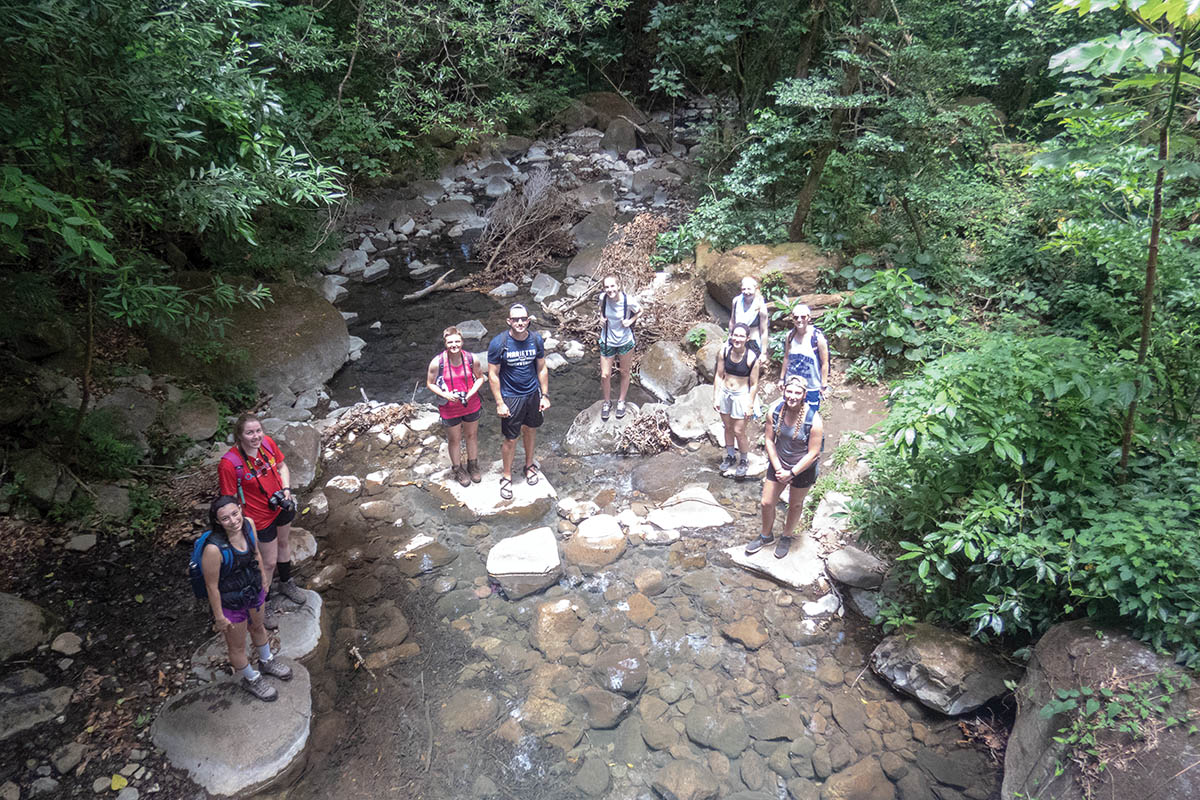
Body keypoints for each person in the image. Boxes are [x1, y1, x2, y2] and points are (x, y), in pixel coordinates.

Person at [218, 413, 305, 631]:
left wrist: (286, 490)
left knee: (284, 544)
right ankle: (261, 606)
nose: (256, 436)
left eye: (258, 431)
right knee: (267, 562)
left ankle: (286, 583)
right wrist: (236, 528)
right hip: (258, 518)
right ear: (239, 435)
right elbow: (228, 500)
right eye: (250, 432)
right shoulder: (229, 464)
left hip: (280, 506)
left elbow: (282, 467)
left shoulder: (267, 444)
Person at [201, 496, 293, 701]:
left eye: (235, 514)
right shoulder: (213, 550)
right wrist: (219, 616)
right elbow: (211, 586)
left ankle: (266, 660)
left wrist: (263, 580)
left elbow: (256, 554)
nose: (233, 521)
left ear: (241, 510)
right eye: (225, 518)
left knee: (259, 628)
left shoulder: (249, 525)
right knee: (237, 646)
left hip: (252, 589)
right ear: (217, 522)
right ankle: (251, 678)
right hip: (230, 602)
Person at [745, 377, 824, 559]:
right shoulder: (775, 411)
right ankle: (766, 535)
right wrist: (779, 468)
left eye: (797, 393)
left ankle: (786, 536)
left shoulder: (814, 420)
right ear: (784, 391)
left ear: (804, 395)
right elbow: (769, 440)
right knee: (766, 502)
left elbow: (813, 453)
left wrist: (792, 472)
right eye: (789, 391)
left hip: (803, 468)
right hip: (779, 463)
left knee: (795, 504)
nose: (792, 396)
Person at [487, 304, 550, 500]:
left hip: (532, 394)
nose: (520, 322)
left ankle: (529, 465)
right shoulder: (499, 343)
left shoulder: (536, 340)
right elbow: (493, 374)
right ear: (509, 321)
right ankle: (506, 476)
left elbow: (542, 368)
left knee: (530, 430)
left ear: (528, 320)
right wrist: (499, 402)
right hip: (511, 396)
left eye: (523, 319)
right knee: (510, 438)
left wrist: (545, 395)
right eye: (516, 319)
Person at [427, 326, 485, 487]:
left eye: (457, 341)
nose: (454, 345)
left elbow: (480, 378)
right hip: (449, 407)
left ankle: (472, 465)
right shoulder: (437, 362)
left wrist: (471, 392)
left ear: (462, 342)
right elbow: (430, 383)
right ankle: (458, 469)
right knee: (454, 439)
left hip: (471, 404)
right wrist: (445, 395)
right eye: (450, 342)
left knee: (472, 435)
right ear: (445, 343)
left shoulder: (471, 359)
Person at [712, 323, 761, 479]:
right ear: (731, 336)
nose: (737, 338)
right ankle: (731, 455)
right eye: (735, 335)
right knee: (727, 427)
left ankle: (744, 460)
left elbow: (754, 384)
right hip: (725, 393)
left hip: (741, 395)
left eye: (741, 336)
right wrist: (716, 397)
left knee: (739, 431)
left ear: (747, 338)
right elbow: (719, 375)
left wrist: (750, 405)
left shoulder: (752, 358)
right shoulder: (724, 351)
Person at [597, 274, 641, 420]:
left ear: (618, 286)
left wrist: (630, 320)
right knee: (605, 374)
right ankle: (607, 402)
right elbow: (601, 311)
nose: (610, 290)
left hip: (624, 341)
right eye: (607, 287)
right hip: (607, 340)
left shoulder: (628, 300)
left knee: (624, 372)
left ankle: (621, 401)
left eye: (612, 286)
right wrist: (601, 319)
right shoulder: (603, 298)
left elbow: (640, 310)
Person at [779, 303, 830, 411]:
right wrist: (781, 379)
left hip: (811, 385)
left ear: (809, 318)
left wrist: (823, 384)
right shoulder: (790, 336)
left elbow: (825, 362)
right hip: (792, 385)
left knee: (810, 416)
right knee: (790, 414)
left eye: (803, 317)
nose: (799, 320)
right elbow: (786, 357)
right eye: (796, 317)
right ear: (792, 318)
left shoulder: (817, 338)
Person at [729, 276, 769, 354]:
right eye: (744, 289)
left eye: (749, 289)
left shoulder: (761, 307)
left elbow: (764, 331)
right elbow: (732, 321)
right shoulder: (736, 301)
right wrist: (729, 338)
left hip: (752, 342)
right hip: (736, 340)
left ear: (755, 289)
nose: (746, 292)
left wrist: (763, 353)